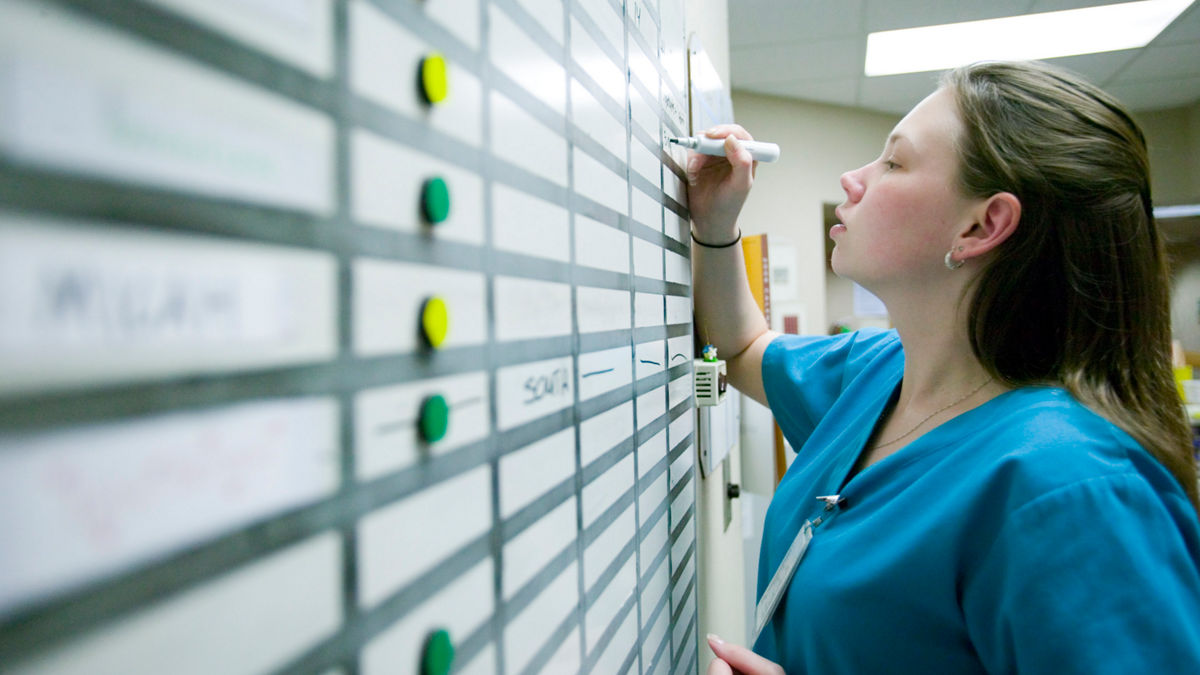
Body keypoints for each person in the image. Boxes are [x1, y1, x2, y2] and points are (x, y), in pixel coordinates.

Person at [688, 60, 1200, 674]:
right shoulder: (877, 373)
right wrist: (716, 226)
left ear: (982, 225)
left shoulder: (1072, 491)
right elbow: (743, 347)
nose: (853, 179)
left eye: (894, 162)